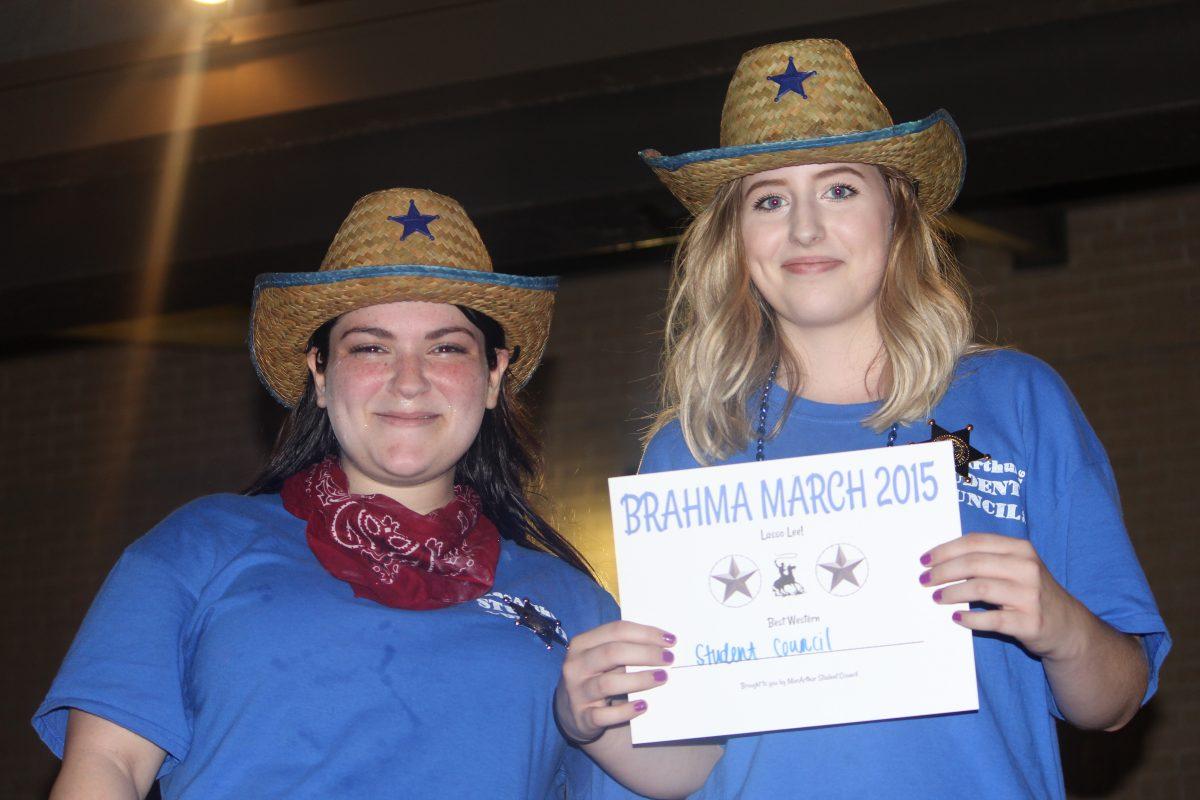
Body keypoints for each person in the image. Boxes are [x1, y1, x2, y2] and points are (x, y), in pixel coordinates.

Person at [580, 38, 1169, 798]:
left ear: (897, 215)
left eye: (840, 190)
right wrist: (591, 717)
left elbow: (1116, 702)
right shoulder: (687, 448)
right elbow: (692, 761)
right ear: (734, 241)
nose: (804, 229)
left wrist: (1056, 621)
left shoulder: (1019, 399)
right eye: (768, 200)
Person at [34, 188, 652, 799]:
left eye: (445, 347)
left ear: (493, 377)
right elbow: (106, 769)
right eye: (371, 347)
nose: (408, 381)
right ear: (321, 375)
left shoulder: (575, 605)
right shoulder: (199, 546)